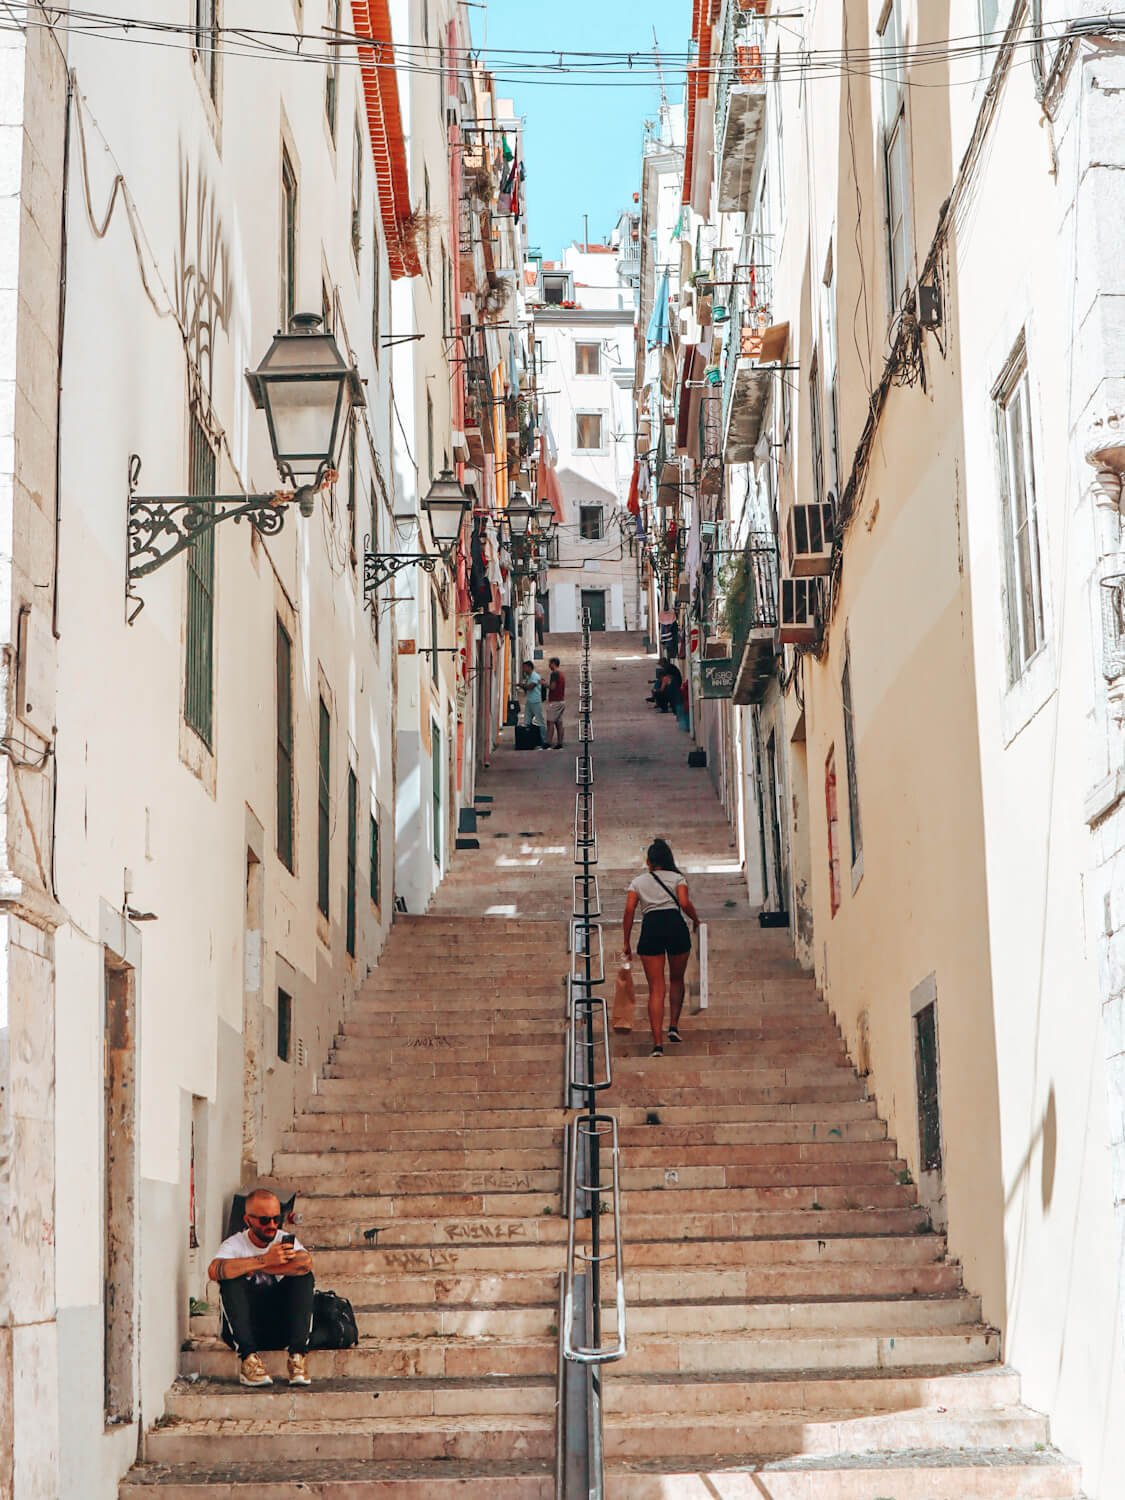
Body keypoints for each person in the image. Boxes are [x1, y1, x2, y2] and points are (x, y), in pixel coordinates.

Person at [208, 1188, 316, 1388]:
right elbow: (215, 1270)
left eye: (277, 1218)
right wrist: (264, 1259)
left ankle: (298, 1358)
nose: (272, 1225)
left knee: (303, 1277)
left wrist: (263, 1266)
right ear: (248, 1220)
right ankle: (249, 1362)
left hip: (280, 1328)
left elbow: (305, 1263)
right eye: (265, 1220)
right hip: (245, 1330)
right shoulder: (235, 1244)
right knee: (231, 1278)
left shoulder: (283, 1239)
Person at [622, 838, 701, 1056]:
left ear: (648, 861)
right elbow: (684, 903)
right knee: (677, 979)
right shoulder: (678, 878)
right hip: (675, 926)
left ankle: (657, 1044)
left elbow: (629, 910)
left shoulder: (637, 882)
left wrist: (626, 941)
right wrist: (696, 920)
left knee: (656, 989)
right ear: (668, 859)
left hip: (651, 928)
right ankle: (673, 1026)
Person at [518, 660, 547, 746]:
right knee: (527, 721)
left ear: (529, 667)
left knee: (540, 720)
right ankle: (528, 740)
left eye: (525, 667)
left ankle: (544, 740)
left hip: (535, 701)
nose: (523, 669)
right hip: (530, 701)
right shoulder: (529, 677)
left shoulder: (535, 676)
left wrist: (521, 685)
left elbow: (530, 687)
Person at [545, 656, 566, 748]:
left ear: (553, 664)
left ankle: (548, 742)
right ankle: (560, 743)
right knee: (559, 723)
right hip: (561, 700)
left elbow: (552, 687)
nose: (549, 665)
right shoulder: (561, 674)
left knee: (550, 722)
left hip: (555, 701)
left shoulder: (554, 674)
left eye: (550, 663)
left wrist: (544, 684)